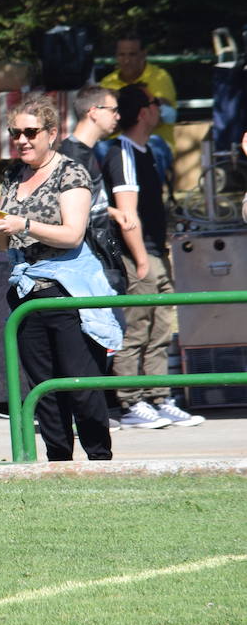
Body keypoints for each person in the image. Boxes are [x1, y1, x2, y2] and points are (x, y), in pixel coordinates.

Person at [0, 95, 118, 461]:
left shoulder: (70, 171)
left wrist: (23, 224)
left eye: (30, 132)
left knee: (81, 385)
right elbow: (4, 242)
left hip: (67, 292)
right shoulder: (14, 174)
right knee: (43, 389)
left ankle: (99, 458)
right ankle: (58, 461)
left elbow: (73, 234)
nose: (22, 140)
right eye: (15, 133)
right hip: (27, 292)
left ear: (51, 133)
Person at [105, 85, 203, 429]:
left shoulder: (148, 150)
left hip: (155, 251)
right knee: (137, 328)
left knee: (161, 327)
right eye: (155, 103)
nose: (160, 108)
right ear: (144, 111)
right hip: (139, 254)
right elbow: (127, 212)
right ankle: (132, 401)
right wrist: (141, 259)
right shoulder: (122, 152)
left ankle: (160, 397)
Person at [59, 85, 129, 295]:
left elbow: (89, 201)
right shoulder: (70, 156)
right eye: (113, 110)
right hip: (87, 261)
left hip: (102, 252)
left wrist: (112, 212)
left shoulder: (88, 151)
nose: (118, 116)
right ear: (94, 112)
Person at [99, 32, 177, 145]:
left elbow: (165, 115)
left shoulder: (160, 76)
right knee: (100, 148)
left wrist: (120, 116)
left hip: (153, 143)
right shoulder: (107, 82)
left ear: (143, 54)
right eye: (122, 55)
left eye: (132, 54)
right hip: (118, 145)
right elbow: (102, 126)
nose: (126, 60)